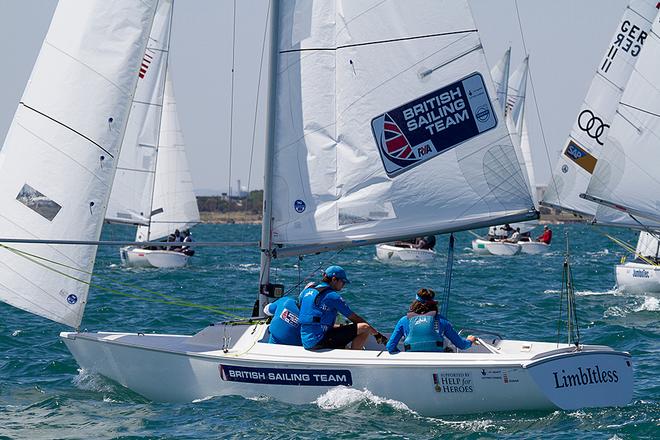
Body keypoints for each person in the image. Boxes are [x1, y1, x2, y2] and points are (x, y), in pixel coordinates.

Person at [298, 265, 380, 350]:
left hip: (306, 341)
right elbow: (354, 318)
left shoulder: (306, 292)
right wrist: (376, 333)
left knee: (344, 327)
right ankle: (355, 357)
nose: (343, 285)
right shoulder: (332, 296)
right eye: (343, 282)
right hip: (319, 340)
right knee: (365, 327)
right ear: (334, 279)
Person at [386, 288, 476, 354]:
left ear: (414, 303)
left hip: (412, 359)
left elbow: (390, 347)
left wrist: (402, 355)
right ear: (433, 304)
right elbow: (462, 345)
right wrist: (470, 341)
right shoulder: (442, 321)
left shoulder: (404, 320)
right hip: (436, 359)